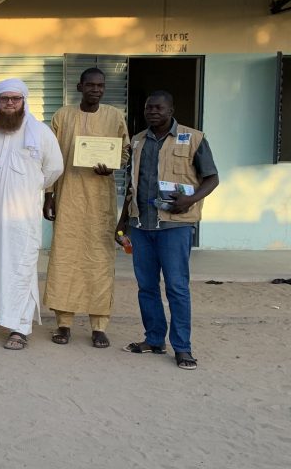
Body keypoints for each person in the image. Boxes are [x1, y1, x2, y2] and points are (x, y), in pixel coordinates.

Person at [118, 91, 219, 370]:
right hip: (141, 226)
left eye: (159, 107)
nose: (153, 112)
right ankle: (153, 340)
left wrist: (190, 199)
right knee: (147, 287)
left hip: (175, 227)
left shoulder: (194, 138)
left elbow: (212, 177)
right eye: (149, 107)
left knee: (176, 287)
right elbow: (131, 187)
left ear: (171, 109)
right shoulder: (137, 141)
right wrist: (123, 221)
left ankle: (183, 349)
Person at [0, 79, 64, 349]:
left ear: (24, 101)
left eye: (15, 99)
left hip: (22, 217)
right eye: (4, 99)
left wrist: (29, 187)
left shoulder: (41, 133)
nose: (10, 103)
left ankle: (19, 326)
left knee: (20, 267)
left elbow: (54, 169)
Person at [43, 69, 130, 349]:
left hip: (100, 200)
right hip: (67, 196)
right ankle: (64, 323)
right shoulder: (62, 116)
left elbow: (125, 152)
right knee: (64, 258)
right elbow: (51, 158)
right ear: (79, 86)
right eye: (90, 85)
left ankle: (99, 325)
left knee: (100, 260)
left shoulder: (115, 117)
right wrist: (48, 195)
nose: (96, 89)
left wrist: (112, 165)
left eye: (100, 85)